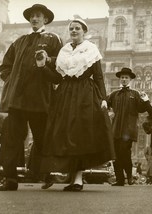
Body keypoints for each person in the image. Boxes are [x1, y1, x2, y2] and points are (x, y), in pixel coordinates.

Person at [40, 18, 115, 192]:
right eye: (71, 28)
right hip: (65, 94)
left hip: (84, 94)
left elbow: (98, 76)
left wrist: (103, 98)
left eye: (77, 28)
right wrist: (43, 68)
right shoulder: (64, 51)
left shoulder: (91, 49)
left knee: (80, 133)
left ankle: (79, 179)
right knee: (66, 132)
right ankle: (71, 177)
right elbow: (58, 77)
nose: (74, 31)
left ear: (84, 31)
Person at [0, 4, 63, 191]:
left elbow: (62, 65)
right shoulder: (19, 41)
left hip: (40, 98)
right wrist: (10, 81)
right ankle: (10, 178)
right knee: (11, 138)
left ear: (45, 19)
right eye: (32, 16)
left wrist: (47, 62)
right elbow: (5, 66)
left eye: (38, 16)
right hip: (17, 99)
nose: (34, 19)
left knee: (42, 138)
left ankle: (45, 173)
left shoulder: (53, 39)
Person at [107, 67, 150, 186]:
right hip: (115, 128)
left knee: (124, 152)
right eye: (122, 77)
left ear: (130, 79)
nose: (124, 79)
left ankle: (129, 176)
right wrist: (109, 111)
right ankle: (120, 179)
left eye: (126, 78)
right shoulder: (114, 94)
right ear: (120, 79)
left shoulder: (134, 94)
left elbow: (142, 109)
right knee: (115, 154)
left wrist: (146, 100)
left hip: (128, 129)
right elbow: (105, 105)